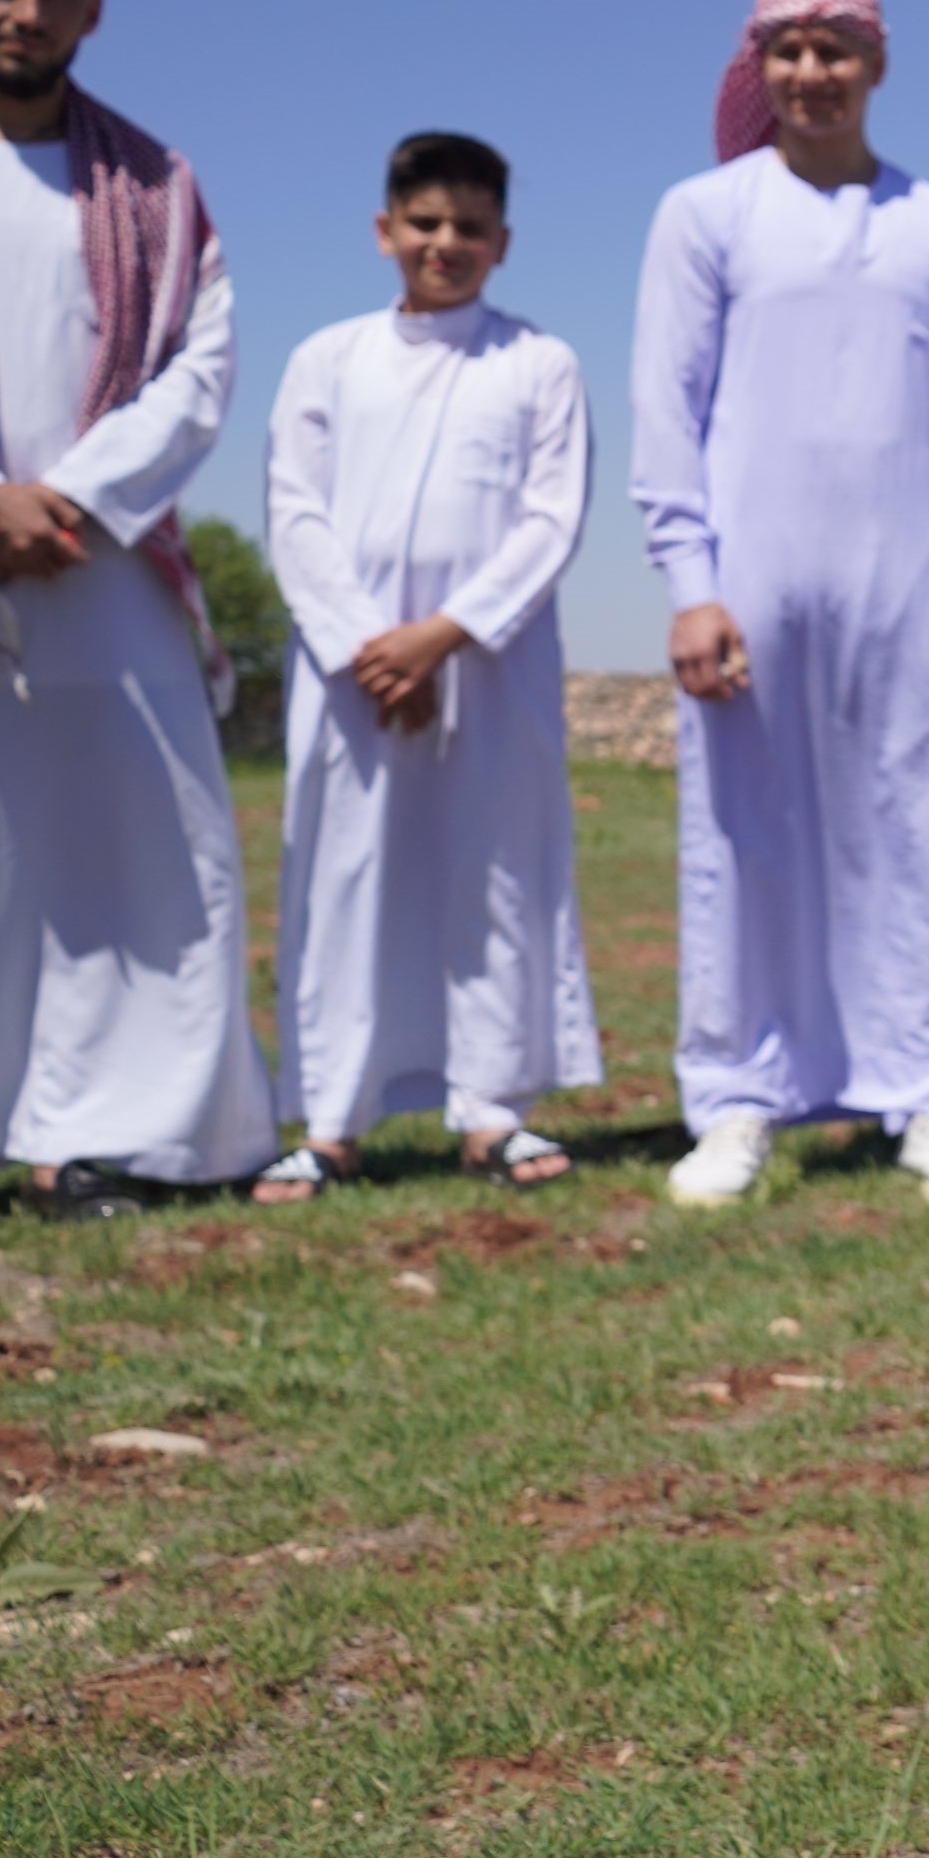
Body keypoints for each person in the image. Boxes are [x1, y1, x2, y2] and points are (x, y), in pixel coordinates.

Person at [0, 0, 270, 1214]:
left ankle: (113, 1135)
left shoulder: (157, 181)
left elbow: (202, 366)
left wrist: (73, 500)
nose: (27, 9)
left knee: (140, 842)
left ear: (92, 9)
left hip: (103, 557)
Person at [631, 0, 929, 1206]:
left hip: (917, 589)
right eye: (788, 52)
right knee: (744, 837)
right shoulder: (705, 213)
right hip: (754, 588)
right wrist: (691, 583)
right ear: (759, 65)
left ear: (877, 64)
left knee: (927, 834)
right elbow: (667, 413)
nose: (812, 74)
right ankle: (738, 1100)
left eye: (835, 51)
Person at [254, 131, 598, 1201]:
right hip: (353, 676)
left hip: (487, 665)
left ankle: (493, 1110)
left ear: (501, 242)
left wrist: (441, 636)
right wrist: (369, 649)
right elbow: (295, 511)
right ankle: (334, 1119)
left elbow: (551, 518)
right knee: (347, 877)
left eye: (469, 228)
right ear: (385, 230)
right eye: (426, 224)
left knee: (491, 871)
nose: (445, 244)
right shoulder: (327, 358)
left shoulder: (538, 361)